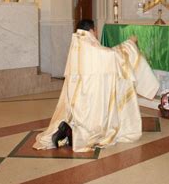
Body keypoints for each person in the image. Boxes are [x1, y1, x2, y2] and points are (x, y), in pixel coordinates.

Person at [33, 19, 160, 152]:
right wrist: (129, 44)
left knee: (78, 118)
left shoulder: (77, 43)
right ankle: (76, 134)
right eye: (96, 30)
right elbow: (112, 56)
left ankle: (69, 130)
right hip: (90, 98)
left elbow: (105, 55)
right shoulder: (90, 45)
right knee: (92, 126)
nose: (97, 33)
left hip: (77, 97)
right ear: (92, 30)